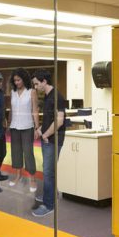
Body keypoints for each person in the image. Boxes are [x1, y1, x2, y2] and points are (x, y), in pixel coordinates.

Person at [31, 69, 67, 218]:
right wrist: (39, 130)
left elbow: (59, 120)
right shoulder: (47, 96)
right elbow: (48, 120)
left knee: (48, 172)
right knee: (48, 171)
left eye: (36, 84)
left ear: (44, 82)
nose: (35, 87)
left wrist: (45, 134)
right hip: (47, 138)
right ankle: (48, 194)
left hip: (53, 139)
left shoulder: (57, 96)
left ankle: (49, 204)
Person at [7, 68, 38, 192]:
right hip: (14, 127)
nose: (16, 82)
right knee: (16, 152)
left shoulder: (31, 92)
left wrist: (36, 128)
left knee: (28, 152)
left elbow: (35, 110)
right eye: (14, 80)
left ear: (24, 79)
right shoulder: (13, 92)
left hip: (27, 127)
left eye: (18, 80)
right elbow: (11, 110)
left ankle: (32, 179)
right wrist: (8, 124)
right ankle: (18, 176)